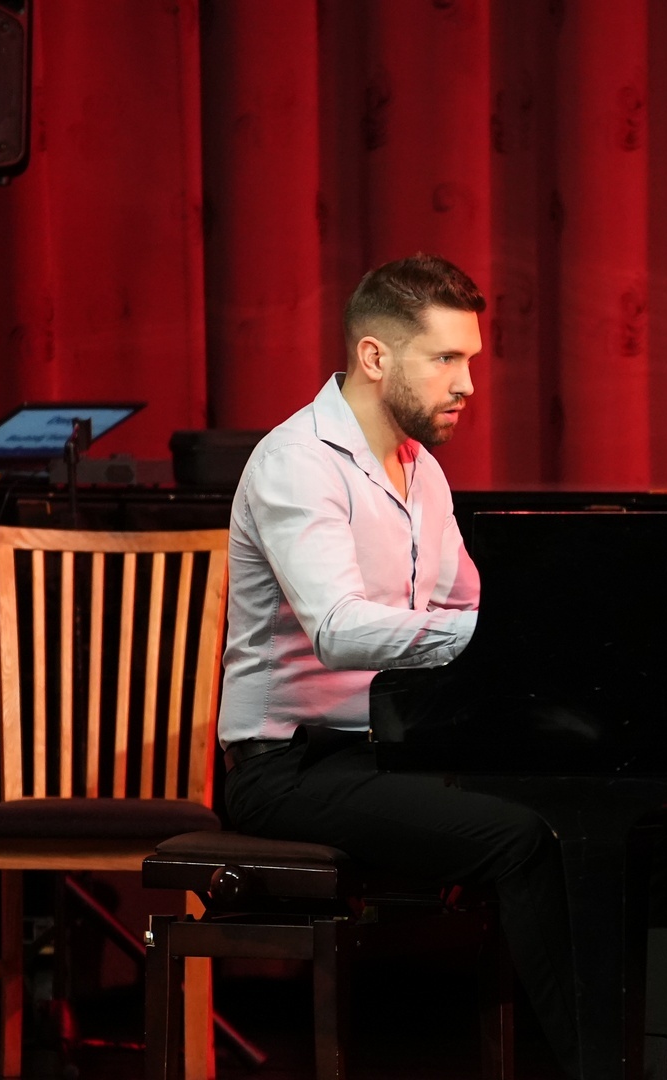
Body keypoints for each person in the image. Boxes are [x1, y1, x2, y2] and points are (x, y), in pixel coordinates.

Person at [217, 253, 579, 1076]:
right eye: (446, 359)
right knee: (524, 838)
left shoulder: (424, 472)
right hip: (289, 767)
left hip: (389, 748)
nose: (468, 385)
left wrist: (538, 637)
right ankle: (593, 1063)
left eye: (470, 360)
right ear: (375, 356)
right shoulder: (296, 464)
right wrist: (496, 638)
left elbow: (467, 604)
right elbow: (339, 629)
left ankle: (621, 1047)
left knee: (593, 815)